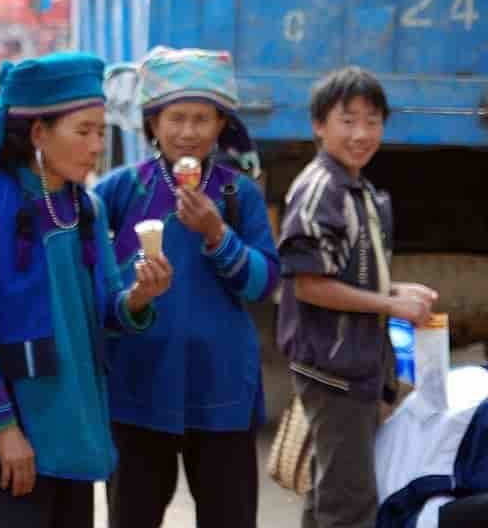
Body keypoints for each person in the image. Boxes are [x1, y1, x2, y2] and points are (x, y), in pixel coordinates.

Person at [0, 53, 173, 527]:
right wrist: (5, 432)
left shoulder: (87, 210)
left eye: (101, 132)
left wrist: (140, 297)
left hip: (73, 433)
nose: (96, 146)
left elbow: (108, 309)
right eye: (83, 131)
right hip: (8, 442)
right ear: (39, 134)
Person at [94, 47, 279, 528]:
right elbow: (87, 276)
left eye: (202, 118)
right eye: (176, 117)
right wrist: (131, 295)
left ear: (221, 125)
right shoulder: (121, 190)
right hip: (140, 386)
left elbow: (263, 284)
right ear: (152, 124)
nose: (189, 131)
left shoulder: (240, 193)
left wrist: (217, 234)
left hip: (221, 390)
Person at [277, 66, 438, 528]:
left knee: (330, 495)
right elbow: (308, 283)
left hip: (353, 368)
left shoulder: (358, 188)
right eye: (347, 121)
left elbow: (342, 272)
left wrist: (394, 290)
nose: (361, 133)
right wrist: (389, 305)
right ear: (318, 124)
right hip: (334, 373)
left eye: (372, 121)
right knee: (350, 506)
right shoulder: (321, 190)